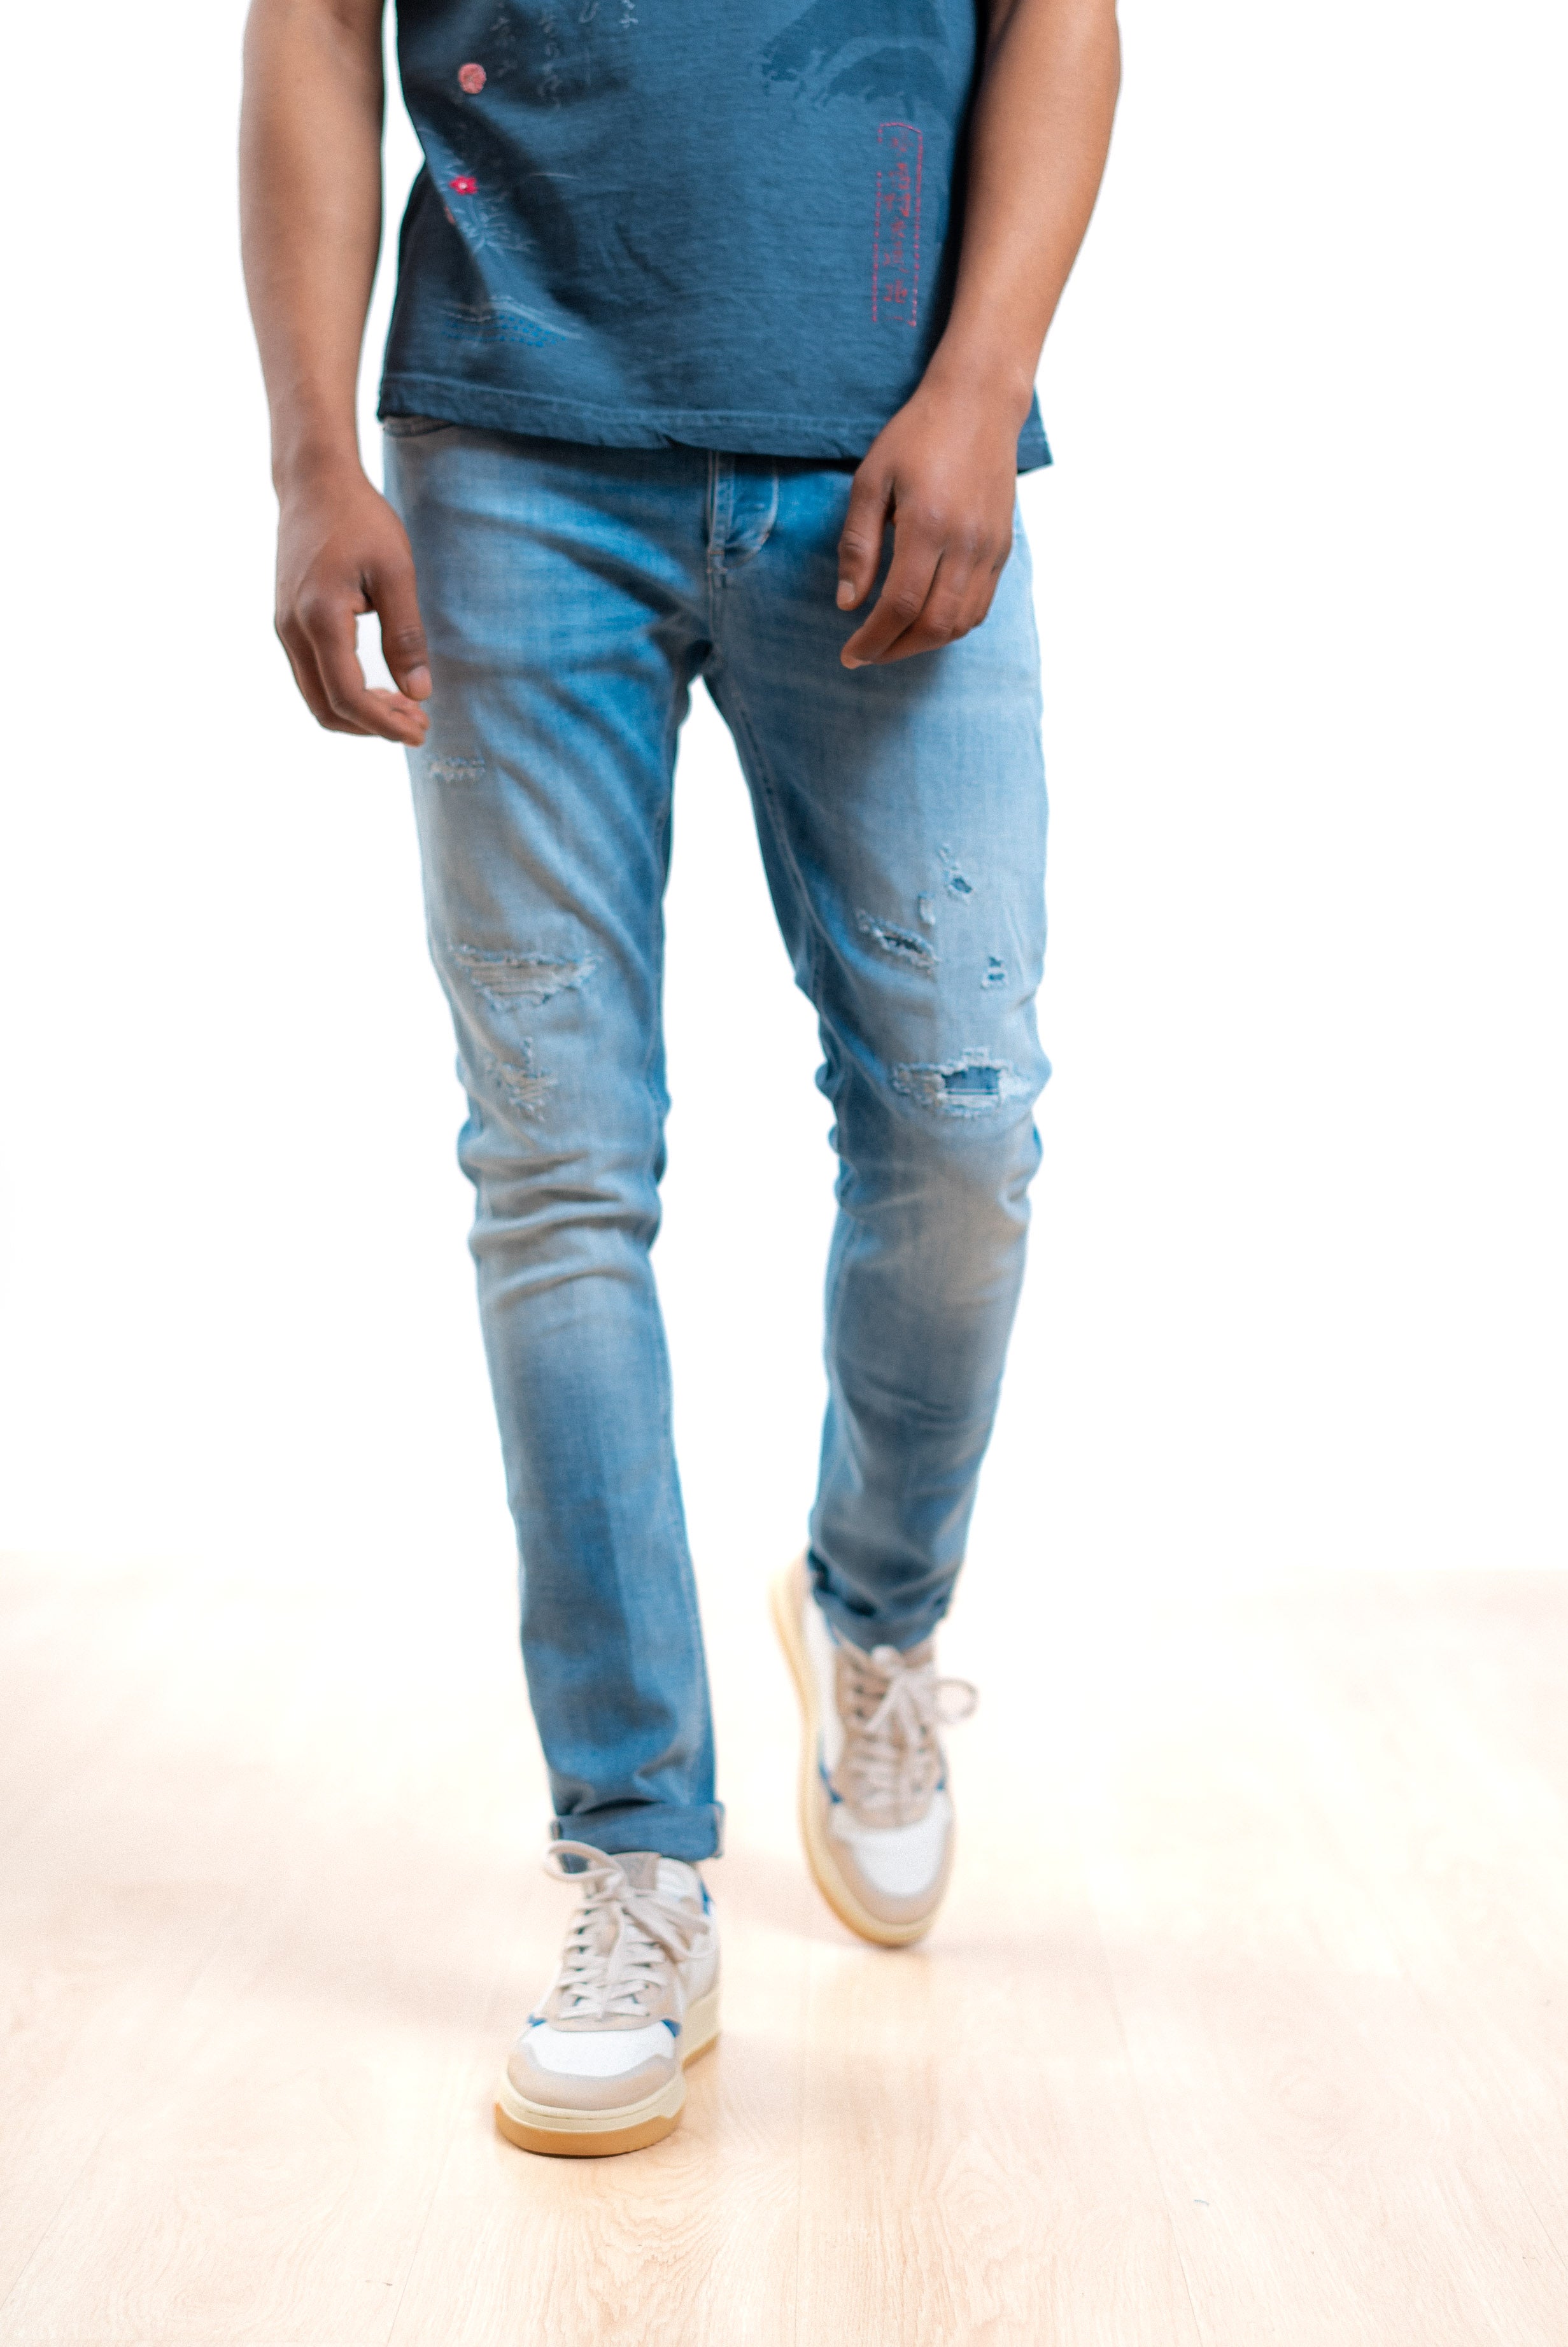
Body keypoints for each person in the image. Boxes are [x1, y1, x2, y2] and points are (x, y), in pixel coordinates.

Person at [241, 0, 1118, 2157]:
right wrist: (309, 457)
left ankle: (871, 1614)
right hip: (510, 456)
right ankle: (634, 1855)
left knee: (962, 1115)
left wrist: (984, 378)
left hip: (890, 445)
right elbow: (312, 21)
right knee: (556, 1165)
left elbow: (1063, 17)